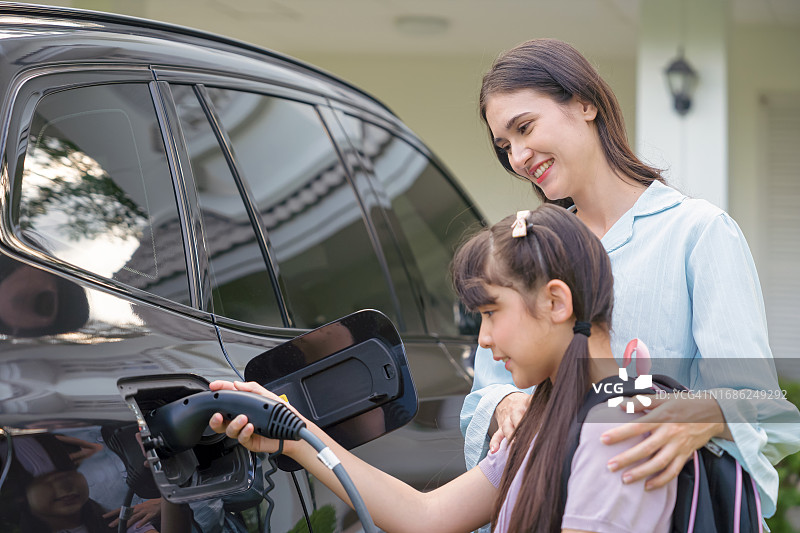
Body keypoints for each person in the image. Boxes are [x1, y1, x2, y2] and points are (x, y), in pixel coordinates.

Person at [461, 37, 800, 525]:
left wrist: (698, 416)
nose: (517, 156)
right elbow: (482, 396)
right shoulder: (533, 250)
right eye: (504, 145)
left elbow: (767, 404)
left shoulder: (697, 232)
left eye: (525, 127)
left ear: (585, 103)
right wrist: (508, 403)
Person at [209, 205, 677, 532]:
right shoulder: (545, 418)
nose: (484, 339)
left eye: (492, 312)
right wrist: (297, 436)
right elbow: (426, 516)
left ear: (555, 301)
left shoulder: (616, 430)